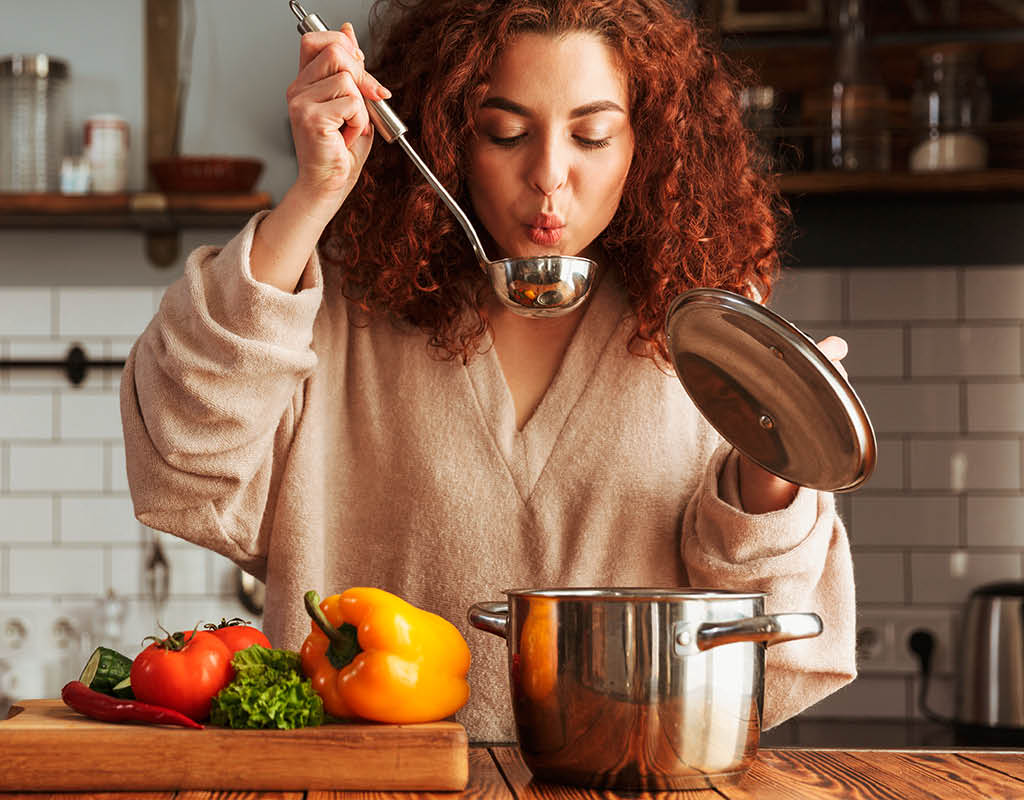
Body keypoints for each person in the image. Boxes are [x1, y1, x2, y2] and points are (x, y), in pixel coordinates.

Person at [121, 0, 856, 741]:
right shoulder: (340, 307)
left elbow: (769, 633)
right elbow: (185, 459)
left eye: (592, 136)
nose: (548, 177)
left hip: (626, 786)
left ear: (651, 142)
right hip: (368, 790)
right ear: (445, 135)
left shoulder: (707, 330)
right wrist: (315, 196)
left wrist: (776, 466)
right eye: (505, 132)